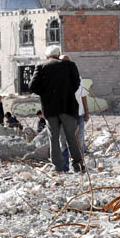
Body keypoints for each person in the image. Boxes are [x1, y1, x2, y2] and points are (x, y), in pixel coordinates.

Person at [29, 45, 85, 173]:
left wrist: (46, 94)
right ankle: (78, 166)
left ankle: (57, 167)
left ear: (46, 56)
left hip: (50, 109)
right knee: (72, 137)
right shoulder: (70, 65)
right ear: (59, 54)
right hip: (68, 107)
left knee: (53, 138)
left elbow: (33, 86)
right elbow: (76, 84)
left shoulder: (41, 67)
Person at [61, 55, 90, 154]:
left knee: (80, 141)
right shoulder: (57, 79)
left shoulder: (79, 78)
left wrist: (87, 113)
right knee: (64, 142)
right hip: (64, 116)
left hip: (78, 115)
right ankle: (66, 165)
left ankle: (79, 164)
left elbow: (83, 96)